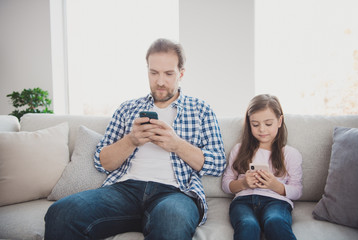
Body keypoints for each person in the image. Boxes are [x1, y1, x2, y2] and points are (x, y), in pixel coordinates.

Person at [44, 38, 226, 240]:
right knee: (61, 213)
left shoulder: (201, 110)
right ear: (147, 70)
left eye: (168, 74)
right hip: (124, 191)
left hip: (176, 193)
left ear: (181, 74)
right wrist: (131, 140)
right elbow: (102, 162)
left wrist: (177, 145)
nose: (160, 81)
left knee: (172, 221)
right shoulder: (127, 108)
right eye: (154, 72)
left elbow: (218, 164)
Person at [221, 94, 302, 240]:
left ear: (279, 121)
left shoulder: (290, 154)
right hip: (243, 202)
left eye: (268, 124)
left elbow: (297, 191)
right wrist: (243, 183)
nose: (262, 129)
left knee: (275, 221)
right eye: (255, 124)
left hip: (276, 202)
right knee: (248, 225)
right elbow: (226, 184)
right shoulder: (239, 149)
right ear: (249, 124)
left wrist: (275, 185)